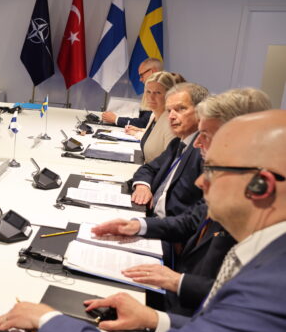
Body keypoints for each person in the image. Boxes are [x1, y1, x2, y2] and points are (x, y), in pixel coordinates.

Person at [0, 109, 286, 332]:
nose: (200, 182)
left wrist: (49, 321)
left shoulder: (273, 288)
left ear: (260, 186)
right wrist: (156, 319)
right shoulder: (269, 255)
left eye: (212, 170)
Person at [93, 88, 272, 314]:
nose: (198, 144)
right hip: (178, 292)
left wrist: (176, 283)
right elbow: (192, 219)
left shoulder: (260, 209)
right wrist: (137, 226)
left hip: (188, 308)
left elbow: (241, 302)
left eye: (206, 135)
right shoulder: (225, 177)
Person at [130, 82, 209, 218]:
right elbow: (149, 168)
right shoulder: (178, 143)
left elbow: (194, 217)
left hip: (168, 230)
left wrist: (145, 226)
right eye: (169, 110)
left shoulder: (203, 151)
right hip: (150, 216)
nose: (171, 116)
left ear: (201, 112)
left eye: (180, 109)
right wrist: (143, 186)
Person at [127, 71, 184, 163]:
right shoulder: (154, 115)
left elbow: (169, 162)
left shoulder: (171, 122)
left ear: (169, 95)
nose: (151, 97)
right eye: (148, 92)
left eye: (157, 93)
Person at [102, 57, 163, 128]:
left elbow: (144, 123)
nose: (140, 79)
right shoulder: (152, 89)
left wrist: (116, 119)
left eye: (141, 75)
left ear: (152, 71)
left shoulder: (159, 92)